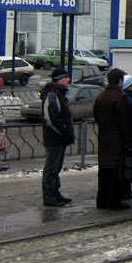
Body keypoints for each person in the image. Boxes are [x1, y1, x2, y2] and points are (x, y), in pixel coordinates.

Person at [93, 68, 132, 210]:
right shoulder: (120, 97)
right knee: (116, 172)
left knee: (104, 171)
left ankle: (101, 200)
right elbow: (125, 122)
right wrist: (129, 142)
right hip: (117, 140)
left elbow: (96, 117)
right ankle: (114, 201)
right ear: (120, 81)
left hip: (104, 138)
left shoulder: (100, 96)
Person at [40, 67, 75, 207]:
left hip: (59, 138)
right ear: (59, 80)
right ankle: (49, 196)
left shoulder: (58, 94)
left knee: (56, 168)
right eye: (66, 77)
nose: (68, 80)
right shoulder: (52, 94)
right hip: (55, 138)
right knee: (52, 168)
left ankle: (55, 194)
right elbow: (51, 117)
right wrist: (64, 130)